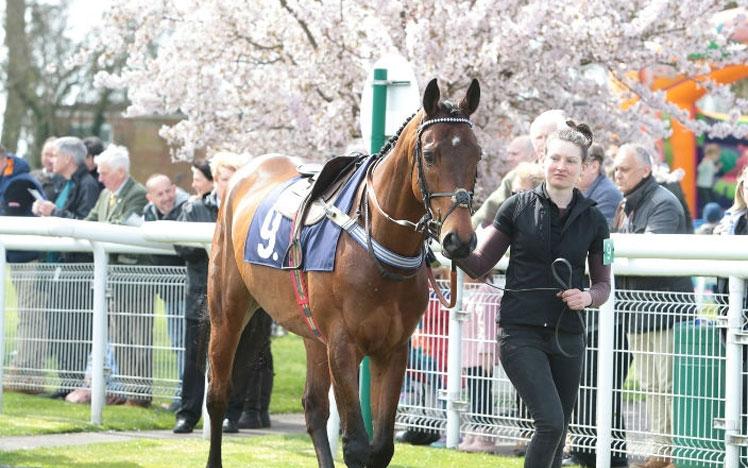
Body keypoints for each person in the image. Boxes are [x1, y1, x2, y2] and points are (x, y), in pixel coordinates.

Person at [456, 121, 612, 468]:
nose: (561, 166)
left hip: (568, 335)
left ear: (584, 168)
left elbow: (604, 285)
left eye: (571, 161)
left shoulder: (596, 221)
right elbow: (479, 265)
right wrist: (454, 246)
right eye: (555, 158)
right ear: (542, 159)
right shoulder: (515, 207)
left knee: (557, 432)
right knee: (550, 423)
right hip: (520, 332)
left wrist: (587, 297)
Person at [612, 144, 693, 468]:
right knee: (651, 386)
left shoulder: (663, 202)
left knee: (669, 385)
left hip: (665, 310)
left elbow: (646, 253)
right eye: (616, 169)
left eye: (625, 169)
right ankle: (660, 449)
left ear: (645, 170)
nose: (618, 174)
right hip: (638, 310)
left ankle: (674, 451)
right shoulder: (628, 203)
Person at [29, 137, 101, 398]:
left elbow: (84, 223)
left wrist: (54, 212)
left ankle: (72, 382)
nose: (51, 159)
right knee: (59, 325)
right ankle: (65, 381)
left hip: (77, 270)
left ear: (69, 159)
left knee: (74, 326)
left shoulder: (88, 185)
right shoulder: (66, 183)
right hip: (59, 267)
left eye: (56, 155)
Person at [85, 144, 150, 407]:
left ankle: (142, 392)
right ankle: (132, 389)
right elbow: (89, 221)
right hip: (112, 276)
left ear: (120, 172)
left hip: (134, 277)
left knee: (138, 335)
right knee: (120, 336)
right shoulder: (105, 195)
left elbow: (120, 225)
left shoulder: (137, 193)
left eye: (104, 173)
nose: (99, 178)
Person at [143, 173, 189, 408]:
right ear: (150, 197)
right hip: (169, 290)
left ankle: (184, 395)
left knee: (186, 344)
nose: (166, 198)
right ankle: (182, 393)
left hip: (189, 288)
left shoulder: (187, 208)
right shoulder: (148, 214)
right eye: (159, 194)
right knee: (177, 342)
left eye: (168, 191)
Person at [472, 136, 534, 228]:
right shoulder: (513, 176)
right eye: (508, 154)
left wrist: (469, 227)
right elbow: (491, 207)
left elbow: (491, 207)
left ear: (532, 155)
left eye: (514, 154)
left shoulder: (518, 175)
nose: (509, 158)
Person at [576, 143, 622, 226]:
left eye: (577, 163)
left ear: (594, 166)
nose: (571, 169)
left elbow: (600, 233)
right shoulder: (582, 190)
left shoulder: (607, 194)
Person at [30, 137, 63, 201]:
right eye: (46, 154)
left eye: (52, 155)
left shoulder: (65, 180)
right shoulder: (31, 177)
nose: (49, 159)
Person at [696, 144, 721, 214]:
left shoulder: (711, 162)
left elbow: (713, 171)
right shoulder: (706, 161)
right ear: (711, 154)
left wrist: (718, 167)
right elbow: (699, 169)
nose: (717, 157)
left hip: (708, 185)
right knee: (707, 201)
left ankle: (710, 213)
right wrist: (705, 163)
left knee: (711, 200)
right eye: (716, 155)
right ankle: (707, 214)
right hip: (702, 185)